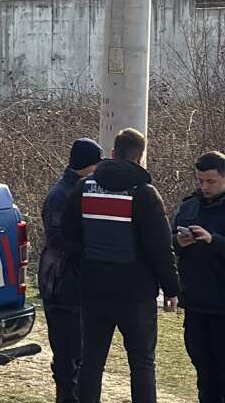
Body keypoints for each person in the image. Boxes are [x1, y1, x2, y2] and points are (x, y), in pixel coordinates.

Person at [64, 128, 180, 403]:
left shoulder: (84, 187)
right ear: (141, 158)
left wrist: (89, 262)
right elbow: (160, 249)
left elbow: (68, 238)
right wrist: (172, 289)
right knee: (142, 364)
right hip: (136, 295)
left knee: (91, 361)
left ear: (113, 153)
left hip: (94, 290)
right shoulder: (145, 194)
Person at [40, 138, 103, 403]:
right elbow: (59, 240)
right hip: (62, 285)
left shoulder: (77, 189)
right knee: (67, 357)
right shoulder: (61, 196)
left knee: (80, 354)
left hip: (75, 284)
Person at [174, 151, 225, 403]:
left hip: (222, 307)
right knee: (204, 375)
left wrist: (213, 240)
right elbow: (168, 242)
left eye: (211, 181)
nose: (204, 186)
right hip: (195, 305)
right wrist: (179, 242)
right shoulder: (189, 206)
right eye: (201, 181)